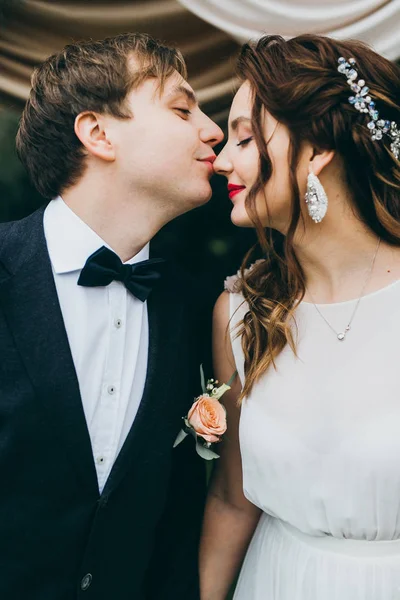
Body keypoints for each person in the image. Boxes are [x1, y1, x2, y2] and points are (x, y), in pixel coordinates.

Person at [0, 32, 223, 600]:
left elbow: (175, 517)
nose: (212, 130)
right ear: (98, 134)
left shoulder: (197, 308)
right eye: (181, 108)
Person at [200, 34, 400, 600]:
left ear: (316, 152)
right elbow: (232, 497)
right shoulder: (241, 313)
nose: (221, 161)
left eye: (245, 138)